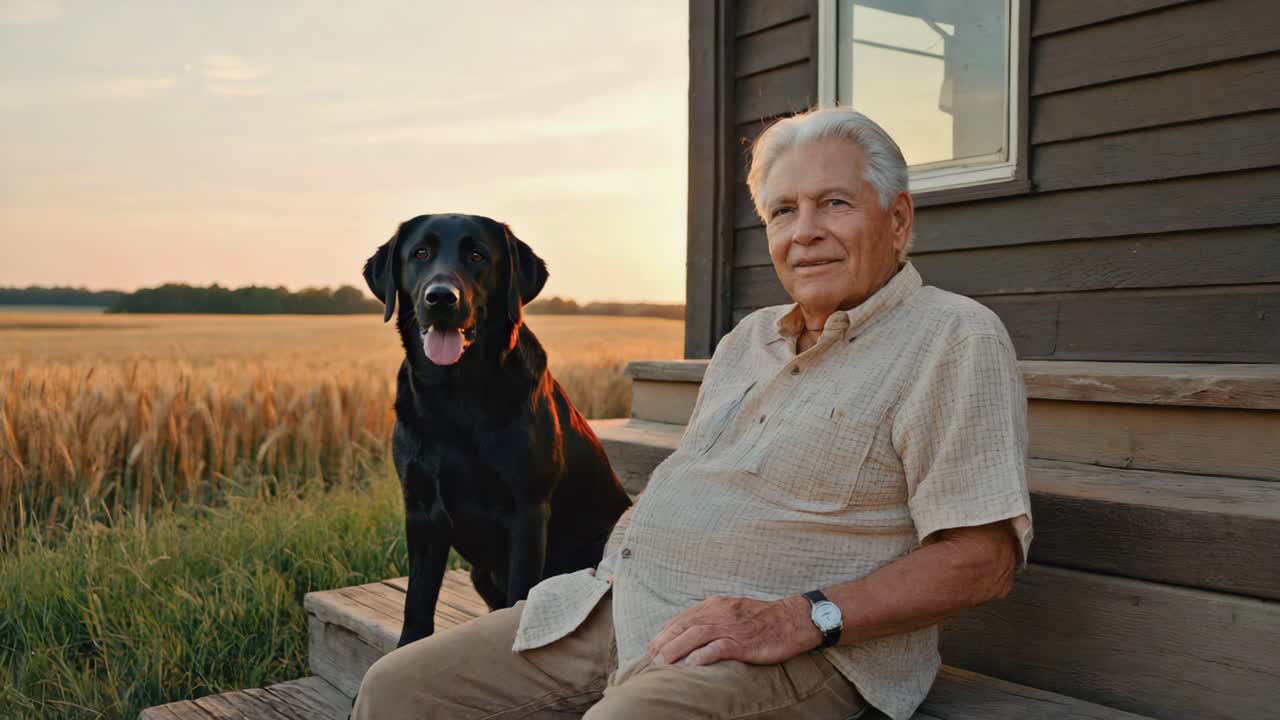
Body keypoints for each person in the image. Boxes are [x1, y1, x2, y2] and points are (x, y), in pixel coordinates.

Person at [351, 107, 1032, 720]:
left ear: (899, 219)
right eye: (784, 211)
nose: (806, 233)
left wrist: (804, 617)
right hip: (614, 604)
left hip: (789, 652)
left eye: (834, 203)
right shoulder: (747, 342)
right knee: (396, 689)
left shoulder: (950, 338)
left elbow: (983, 558)